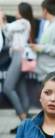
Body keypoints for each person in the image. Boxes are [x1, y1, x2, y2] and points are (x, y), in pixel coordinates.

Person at [0, 3, 36, 131]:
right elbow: (8, 36)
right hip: (17, 56)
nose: (15, 12)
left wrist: (2, 21)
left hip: (19, 56)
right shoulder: (19, 25)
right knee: (21, 90)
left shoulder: (24, 22)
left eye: (17, 10)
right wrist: (3, 22)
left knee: (7, 87)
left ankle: (23, 120)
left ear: (22, 11)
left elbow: (8, 28)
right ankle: (24, 124)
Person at [29, 0, 55, 82]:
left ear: (45, 11)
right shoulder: (51, 25)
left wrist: (42, 48)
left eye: (41, 10)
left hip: (54, 76)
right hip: (46, 74)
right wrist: (38, 47)